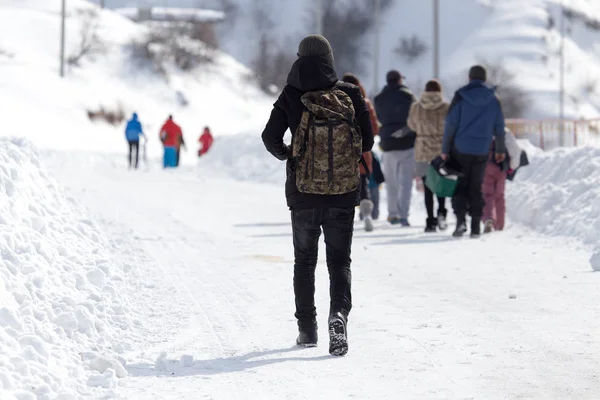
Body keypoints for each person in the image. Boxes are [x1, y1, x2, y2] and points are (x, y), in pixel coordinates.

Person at [261, 35, 374, 356]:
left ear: (299, 58)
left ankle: (307, 329)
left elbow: (270, 137)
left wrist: (290, 155)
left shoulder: (291, 94)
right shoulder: (350, 94)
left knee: (304, 261)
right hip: (343, 191)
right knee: (339, 262)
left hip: (303, 192)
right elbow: (367, 143)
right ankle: (338, 315)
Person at [441, 65, 506, 238]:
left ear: (470, 78)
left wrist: (445, 149)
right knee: (476, 187)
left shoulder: (460, 96)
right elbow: (500, 127)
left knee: (460, 187)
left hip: (460, 148)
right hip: (482, 150)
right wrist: (499, 149)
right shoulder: (494, 99)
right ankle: (476, 225)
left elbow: (450, 125)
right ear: (484, 79)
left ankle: (461, 222)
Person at [374, 70, 416, 226]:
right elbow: (414, 118)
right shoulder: (408, 96)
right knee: (405, 182)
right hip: (407, 143)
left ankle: (392, 214)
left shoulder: (379, 98)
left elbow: (379, 118)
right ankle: (404, 215)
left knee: (391, 182)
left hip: (387, 143)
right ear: (399, 80)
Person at [407, 80, 450, 233]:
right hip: (440, 150)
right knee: (441, 185)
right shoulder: (446, 107)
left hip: (422, 150)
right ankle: (441, 213)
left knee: (428, 187)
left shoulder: (416, 107)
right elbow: (451, 126)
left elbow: (411, 125)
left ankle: (430, 221)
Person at [341, 73, 380, 232]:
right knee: (363, 185)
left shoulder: (336, 103)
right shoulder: (365, 103)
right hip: (362, 150)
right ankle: (367, 214)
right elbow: (375, 128)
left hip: (341, 151)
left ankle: (343, 218)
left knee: (343, 186)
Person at [483, 128, 522, 233]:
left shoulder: (481, 127)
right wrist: (513, 166)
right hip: (501, 167)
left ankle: (489, 218)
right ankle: (499, 225)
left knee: (487, 194)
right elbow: (515, 150)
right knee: (499, 195)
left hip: (485, 166)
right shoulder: (505, 132)